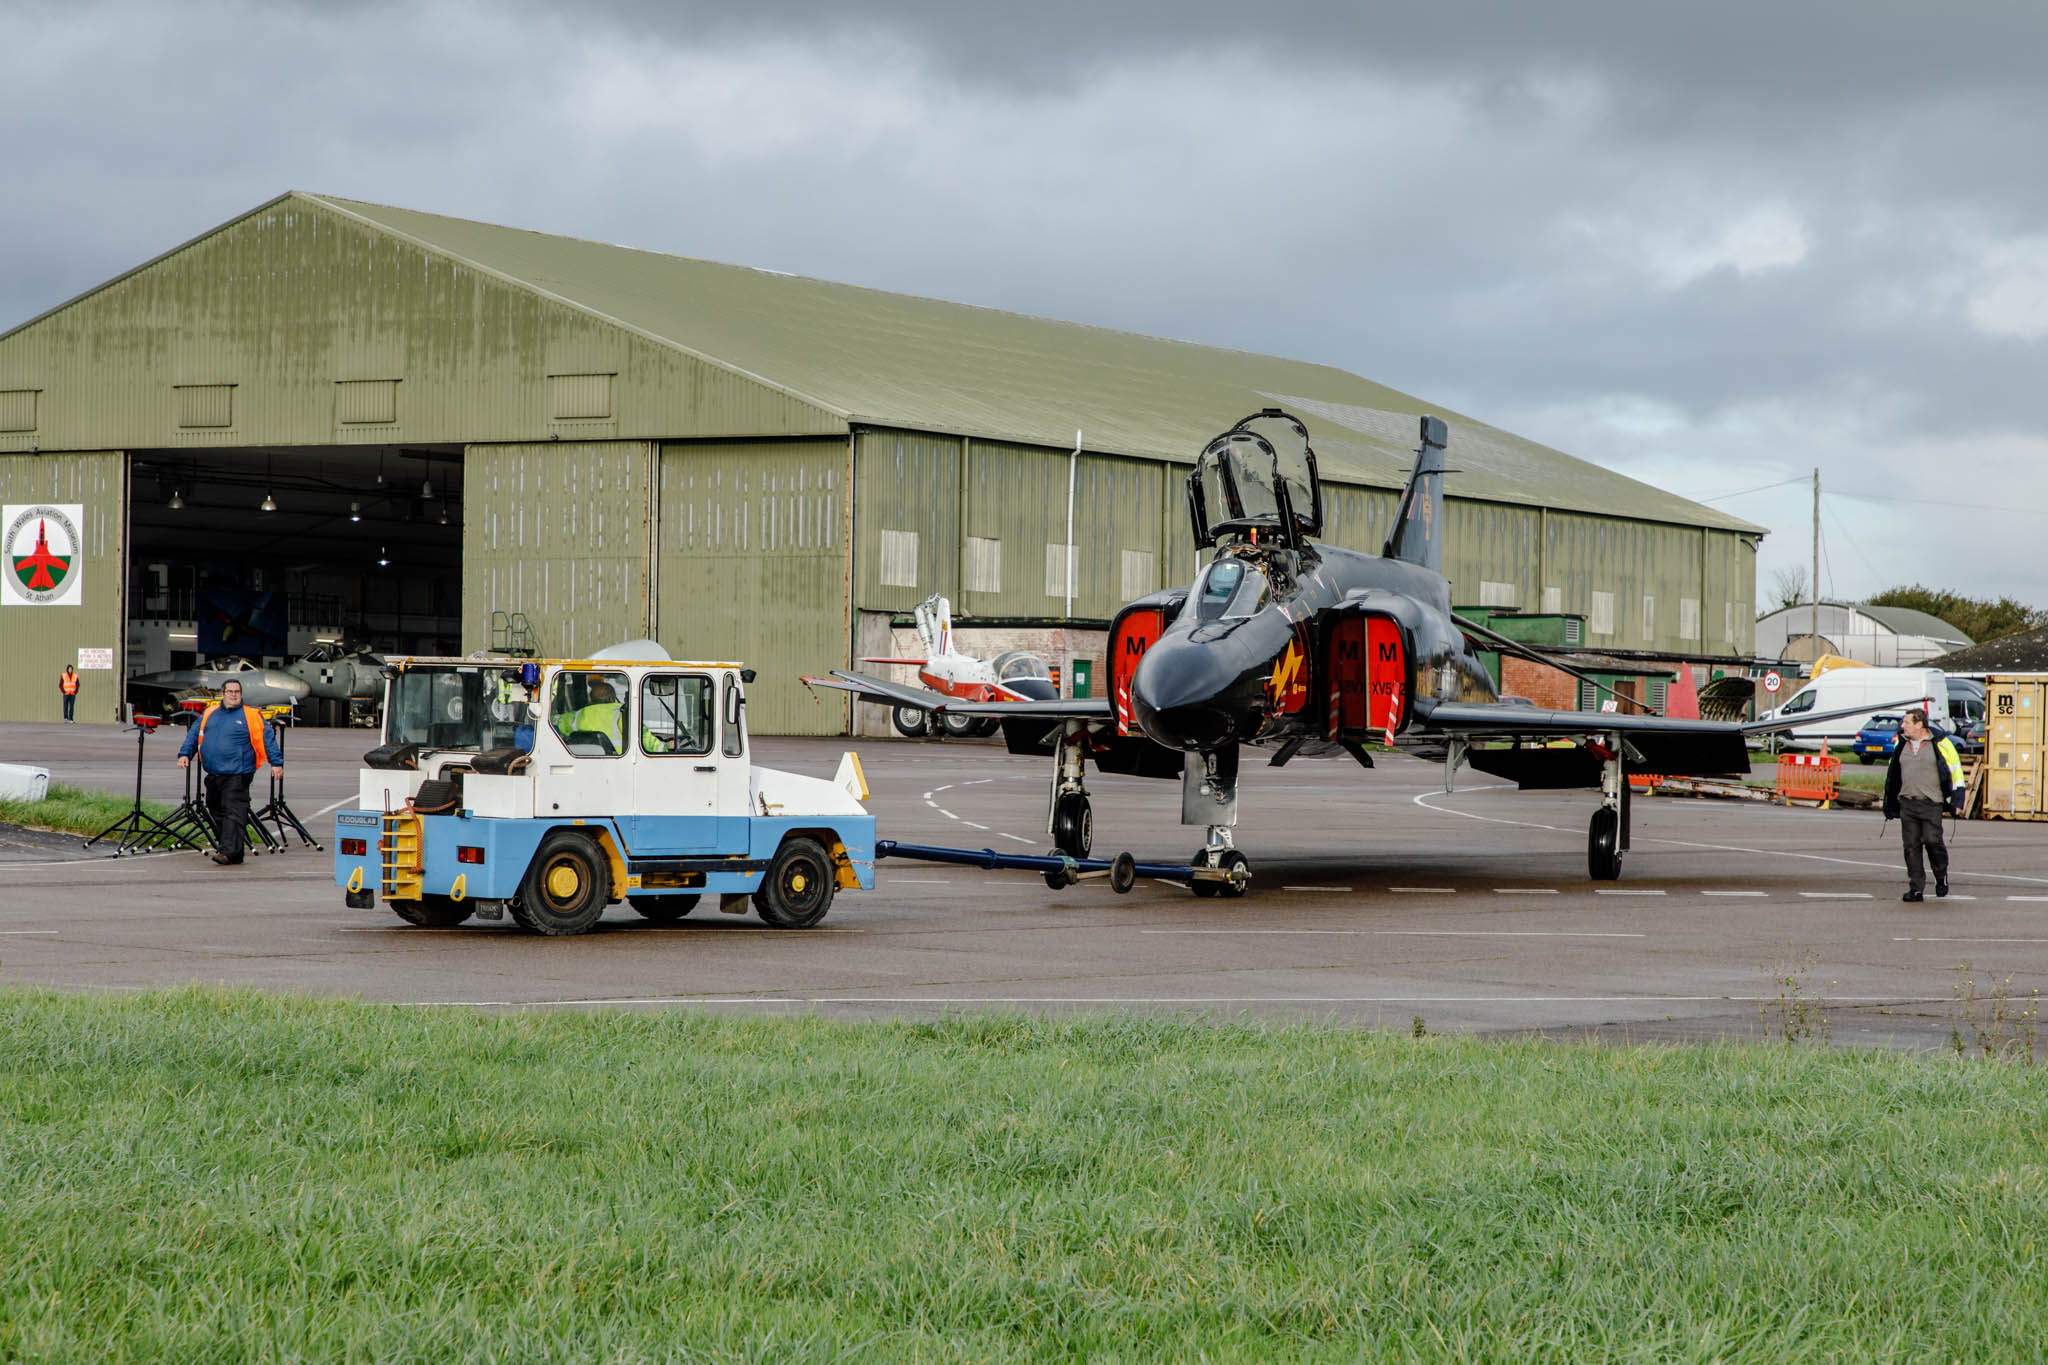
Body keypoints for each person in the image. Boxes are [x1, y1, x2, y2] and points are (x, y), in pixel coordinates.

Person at [175, 679, 278, 866]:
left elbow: (266, 737)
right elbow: (194, 734)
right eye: (230, 691)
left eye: (237, 691)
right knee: (216, 810)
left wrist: (276, 763)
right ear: (223, 694)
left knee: (233, 812)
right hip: (214, 773)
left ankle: (227, 851)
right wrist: (185, 754)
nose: (234, 695)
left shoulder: (251, 715)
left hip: (238, 773)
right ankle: (234, 852)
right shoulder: (210, 713)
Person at [1882, 707, 1963, 902]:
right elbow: (1892, 773)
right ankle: (1916, 888)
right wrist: (1890, 801)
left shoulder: (1941, 743)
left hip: (1931, 803)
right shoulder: (1901, 744)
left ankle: (1941, 876)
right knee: (1911, 846)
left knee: (1933, 841)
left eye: (1906, 722)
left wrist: (1958, 800)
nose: (1903, 726)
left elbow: (1956, 772)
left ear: (1919, 724)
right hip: (1907, 804)